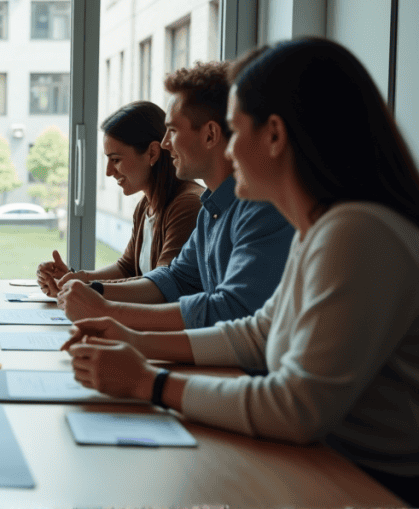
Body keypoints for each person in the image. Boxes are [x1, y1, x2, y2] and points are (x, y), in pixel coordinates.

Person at [63, 38, 419, 506]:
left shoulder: (354, 231)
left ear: (273, 135)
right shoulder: (321, 228)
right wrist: (134, 341)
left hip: (367, 485)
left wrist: (148, 381)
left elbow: (296, 407)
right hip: (326, 465)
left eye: (234, 130)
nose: (228, 153)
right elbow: (258, 332)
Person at [55, 62, 294, 331]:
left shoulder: (261, 209)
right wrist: (93, 290)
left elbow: (230, 311)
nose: (166, 143)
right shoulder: (210, 209)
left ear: (210, 134)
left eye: (174, 130)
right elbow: (175, 278)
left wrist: (107, 310)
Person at [37, 101, 203, 290]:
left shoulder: (187, 205)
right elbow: (126, 268)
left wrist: (84, 288)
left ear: (152, 153)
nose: (108, 171)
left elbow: (161, 287)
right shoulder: (145, 206)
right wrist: (75, 278)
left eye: (115, 160)